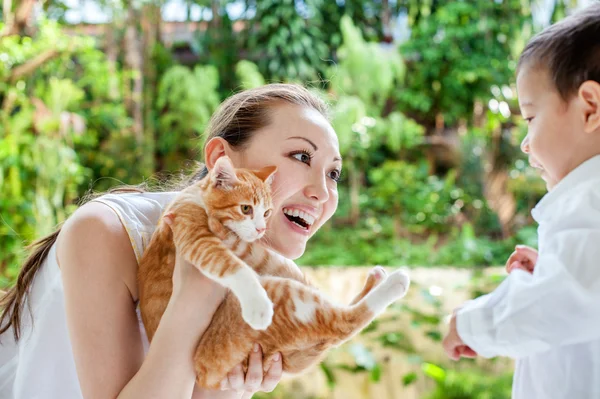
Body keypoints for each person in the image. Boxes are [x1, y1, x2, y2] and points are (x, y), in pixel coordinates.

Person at [0, 83, 344, 399]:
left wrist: (221, 390)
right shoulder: (107, 232)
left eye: (333, 173)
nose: (323, 192)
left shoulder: (250, 277)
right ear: (220, 161)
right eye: (302, 157)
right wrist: (193, 298)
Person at [442, 3, 600, 398]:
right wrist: (553, 269)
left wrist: (472, 323)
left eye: (530, 117)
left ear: (590, 108)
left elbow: (563, 302)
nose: (526, 142)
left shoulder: (589, 199)